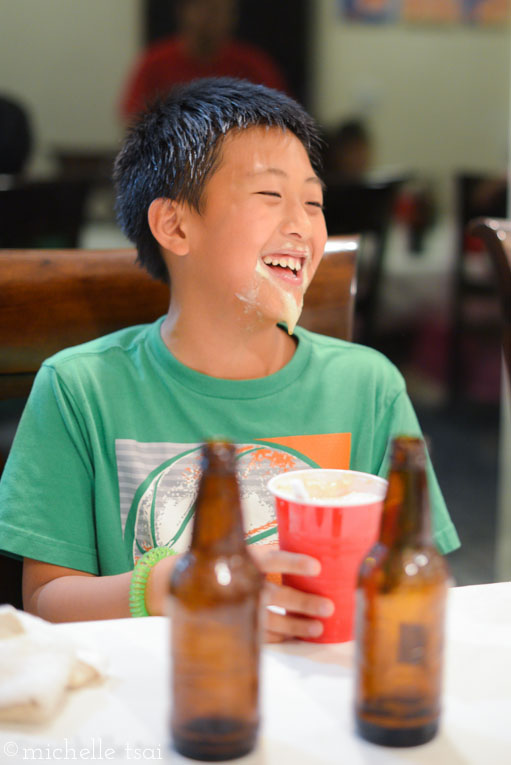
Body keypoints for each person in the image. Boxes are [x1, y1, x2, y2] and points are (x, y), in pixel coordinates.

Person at [0, 78, 460, 640]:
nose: (301, 224)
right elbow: (45, 601)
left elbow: (422, 575)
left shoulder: (367, 386)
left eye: (313, 202)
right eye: (270, 196)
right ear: (175, 225)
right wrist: (179, 585)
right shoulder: (80, 389)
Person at [120, 0, 287, 120]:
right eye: (209, 9)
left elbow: (281, 116)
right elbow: (132, 119)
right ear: (184, 11)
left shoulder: (252, 64)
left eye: (226, 11)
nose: (216, 19)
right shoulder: (154, 63)